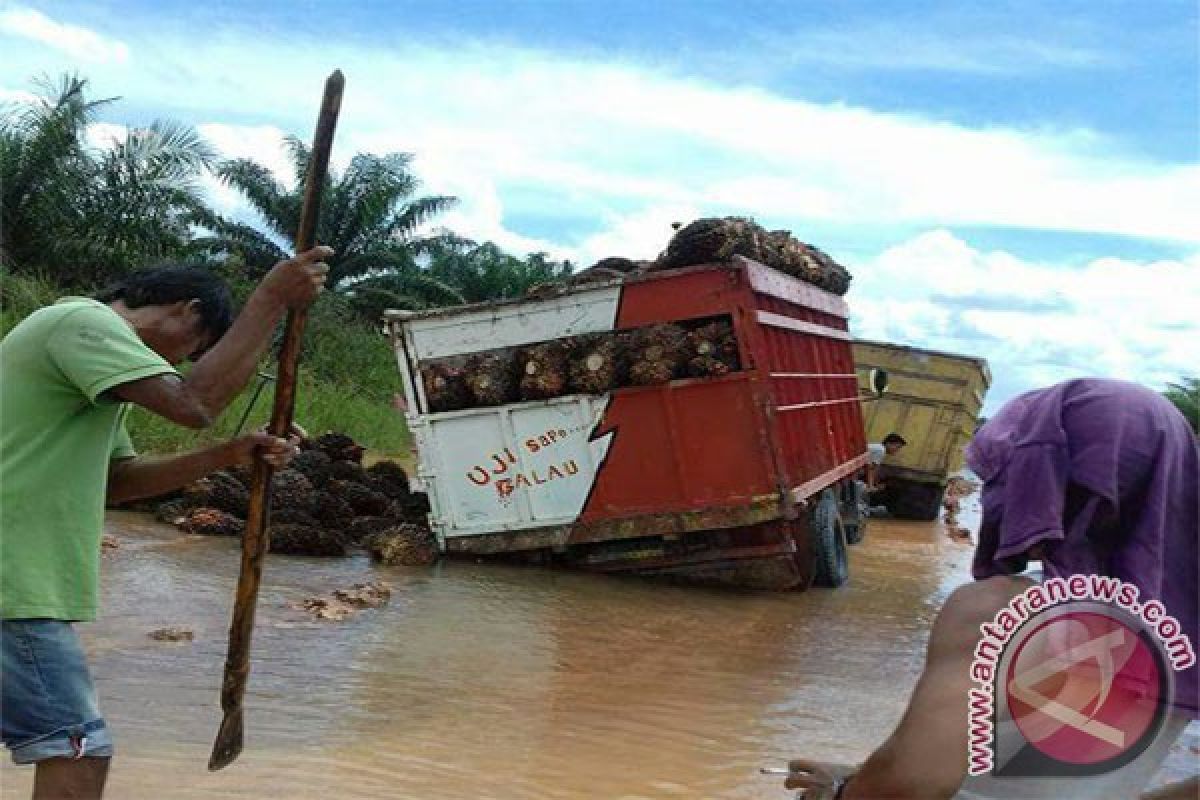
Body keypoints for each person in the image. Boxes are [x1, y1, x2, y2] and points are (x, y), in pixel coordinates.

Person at [0, 247, 331, 799]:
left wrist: (229, 455)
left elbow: (119, 481)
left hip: (19, 580)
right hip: (12, 581)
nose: (178, 365)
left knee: (68, 743)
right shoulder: (84, 322)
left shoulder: (96, 378)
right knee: (76, 748)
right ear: (186, 310)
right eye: (194, 350)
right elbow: (195, 403)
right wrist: (272, 299)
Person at [785, 379, 1198, 799]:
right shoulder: (1180, 632)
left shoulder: (1001, 610)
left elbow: (909, 783)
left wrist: (844, 793)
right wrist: (862, 774)